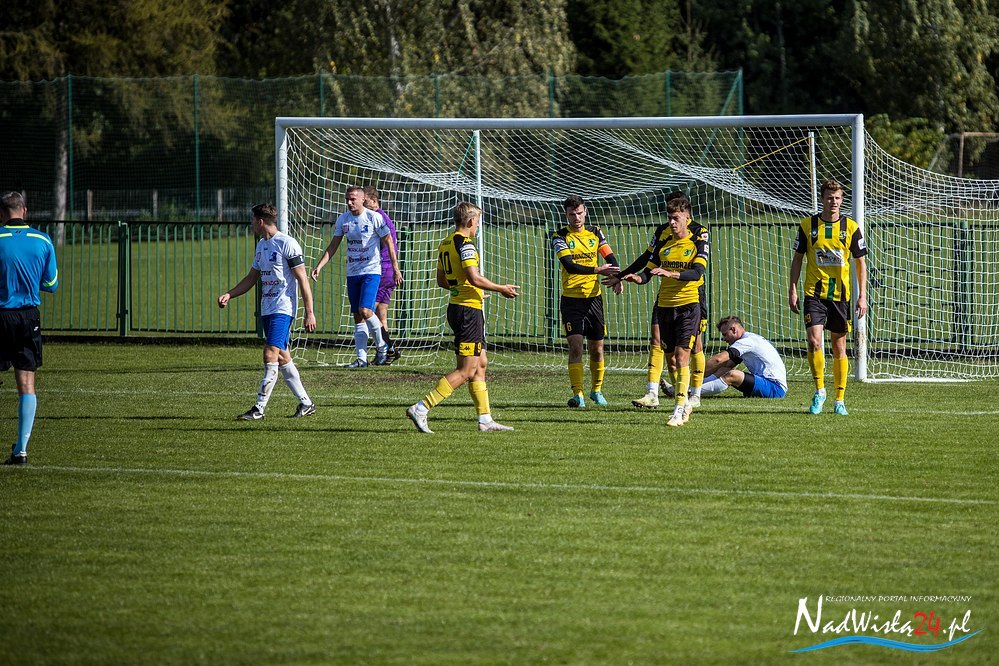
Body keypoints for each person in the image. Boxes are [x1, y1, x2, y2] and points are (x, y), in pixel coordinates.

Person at [406, 202, 520, 434]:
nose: (477, 226)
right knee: (466, 370)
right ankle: (422, 407)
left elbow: (442, 280)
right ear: (470, 221)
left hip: (460, 307)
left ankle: (485, 419)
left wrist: (467, 290)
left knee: (480, 364)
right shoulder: (465, 244)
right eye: (477, 222)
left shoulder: (446, 243)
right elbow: (474, 277)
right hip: (468, 313)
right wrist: (501, 288)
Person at [606, 191, 710, 410]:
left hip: (692, 294)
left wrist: (671, 273)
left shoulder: (699, 232)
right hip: (666, 297)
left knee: (694, 346)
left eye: (675, 216)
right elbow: (648, 260)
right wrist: (625, 275)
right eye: (668, 215)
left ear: (686, 213)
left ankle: (695, 395)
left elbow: (697, 271)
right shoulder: (663, 234)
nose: (671, 221)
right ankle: (655, 393)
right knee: (658, 341)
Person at [219, 203, 317, 420]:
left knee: (270, 353)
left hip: (284, 308)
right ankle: (306, 403)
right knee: (282, 357)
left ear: (260, 221)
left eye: (253, 220)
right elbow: (251, 278)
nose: (252, 224)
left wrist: (309, 312)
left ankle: (259, 409)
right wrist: (230, 294)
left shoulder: (287, 243)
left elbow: (303, 279)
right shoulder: (262, 246)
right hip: (267, 309)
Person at [788, 178, 868, 416]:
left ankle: (840, 399)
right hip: (814, 294)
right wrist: (792, 289)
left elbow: (860, 263)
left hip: (840, 296)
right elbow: (797, 259)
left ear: (842, 200)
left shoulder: (851, 227)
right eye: (830, 198)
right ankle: (820, 390)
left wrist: (862, 296)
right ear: (822, 199)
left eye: (838, 198)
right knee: (814, 341)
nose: (834, 202)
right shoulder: (807, 226)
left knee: (839, 345)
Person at [311, 185, 403, 368]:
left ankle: (383, 347)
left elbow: (389, 241)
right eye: (347, 199)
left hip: (371, 271)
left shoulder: (374, 217)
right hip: (352, 272)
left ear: (362, 199)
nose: (349, 202)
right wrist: (319, 266)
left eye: (353, 199)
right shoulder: (343, 219)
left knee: (366, 310)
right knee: (357, 316)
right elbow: (333, 245)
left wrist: (395, 268)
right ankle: (361, 359)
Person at [1, 191, 58, 465]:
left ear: (2, 214)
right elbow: (52, 284)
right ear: (24, 211)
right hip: (28, 317)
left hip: (1, 314)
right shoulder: (42, 240)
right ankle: (21, 449)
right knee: (26, 383)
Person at [551, 194, 621, 408]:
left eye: (579, 213)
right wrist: (597, 270)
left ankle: (596, 390)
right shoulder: (559, 236)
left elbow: (610, 257)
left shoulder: (595, 232)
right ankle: (578, 394)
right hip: (572, 301)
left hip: (594, 300)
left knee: (597, 349)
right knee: (575, 348)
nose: (576, 218)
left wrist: (618, 277)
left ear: (585, 211)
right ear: (566, 215)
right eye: (572, 214)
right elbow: (570, 265)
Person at [697, 315, 788, 399]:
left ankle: (692, 392)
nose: (724, 339)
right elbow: (727, 366)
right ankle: (694, 387)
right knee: (726, 370)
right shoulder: (749, 339)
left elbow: (718, 360)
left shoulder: (747, 341)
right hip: (768, 384)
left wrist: (695, 371)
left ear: (733, 329)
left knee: (733, 375)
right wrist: (698, 380)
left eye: (725, 334)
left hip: (775, 387)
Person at [363, 185, 401, 363]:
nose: (362, 205)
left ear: (373, 200)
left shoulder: (377, 217)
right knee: (381, 316)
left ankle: (390, 348)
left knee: (366, 312)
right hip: (389, 271)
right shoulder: (384, 216)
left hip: (382, 270)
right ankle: (385, 356)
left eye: (365, 201)